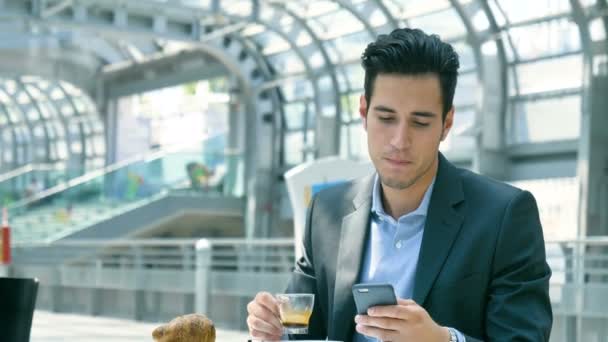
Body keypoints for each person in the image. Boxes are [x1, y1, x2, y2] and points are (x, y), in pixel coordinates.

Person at [246, 28, 552, 342]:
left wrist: (442, 340)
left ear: (446, 124)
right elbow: (304, 333)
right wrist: (274, 334)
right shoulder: (328, 212)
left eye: (420, 122)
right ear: (363, 112)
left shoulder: (504, 216)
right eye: (386, 118)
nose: (399, 141)